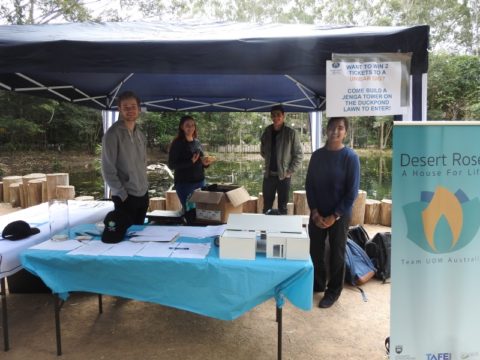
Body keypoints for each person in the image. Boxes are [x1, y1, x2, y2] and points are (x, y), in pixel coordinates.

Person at [305, 116, 360, 308]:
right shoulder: (317, 156)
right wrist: (314, 212)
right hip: (317, 213)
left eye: (340, 128)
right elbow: (309, 185)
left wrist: (334, 215)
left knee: (337, 253)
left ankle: (333, 291)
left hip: (340, 215)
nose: (335, 131)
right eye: (332, 127)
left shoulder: (350, 158)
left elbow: (352, 192)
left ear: (345, 132)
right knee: (315, 250)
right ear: (326, 130)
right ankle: (317, 283)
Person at [101, 91, 149, 225]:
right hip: (125, 197)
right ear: (120, 109)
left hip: (143, 195)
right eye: (126, 107)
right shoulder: (112, 134)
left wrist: (145, 190)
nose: (130, 110)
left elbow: (142, 163)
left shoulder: (139, 134)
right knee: (125, 239)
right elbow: (107, 169)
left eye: (133, 106)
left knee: (139, 236)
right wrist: (122, 194)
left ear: (138, 109)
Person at [260, 104, 303, 214]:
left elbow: (298, 155)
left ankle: (281, 230)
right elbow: (263, 150)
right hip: (269, 175)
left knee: (282, 207)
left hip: (284, 176)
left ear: (283, 116)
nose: (276, 118)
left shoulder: (291, 133)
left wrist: (289, 171)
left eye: (278, 115)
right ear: (271, 117)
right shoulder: (267, 131)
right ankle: (265, 231)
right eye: (273, 115)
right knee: (266, 207)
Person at [168, 115, 214, 212]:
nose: (191, 127)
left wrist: (206, 163)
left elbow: (201, 161)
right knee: (190, 213)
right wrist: (190, 162)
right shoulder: (177, 143)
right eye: (187, 125)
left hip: (200, 182)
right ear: (182, 127)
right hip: (185, 184)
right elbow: (172, 165)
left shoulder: (197, 141)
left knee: (202, 212)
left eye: (193, 125)